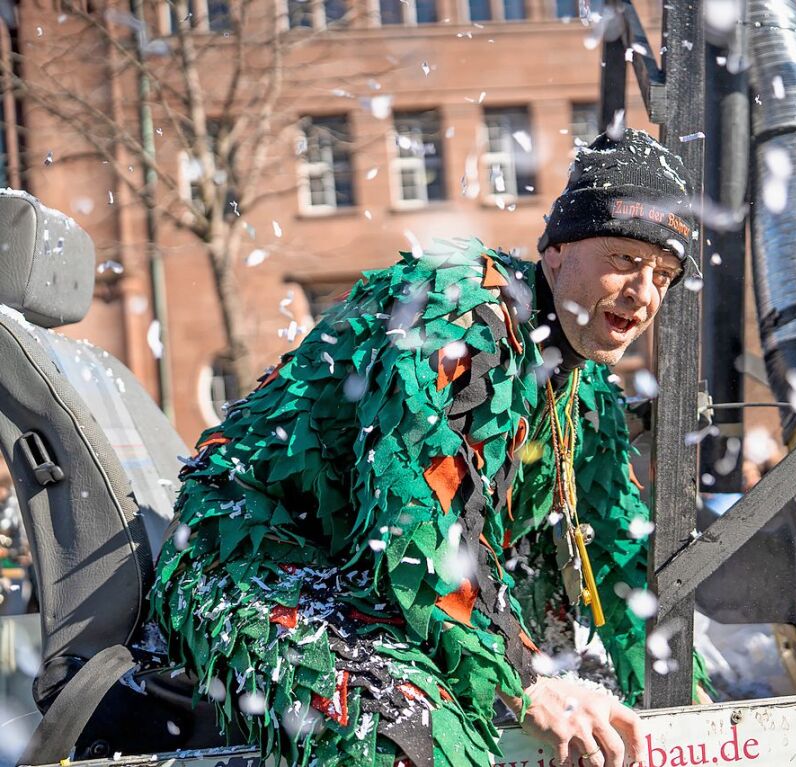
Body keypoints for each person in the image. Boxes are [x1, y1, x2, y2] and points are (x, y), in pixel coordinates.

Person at [151, 128, 710, 767]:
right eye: (623, 260)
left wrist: (696, 714)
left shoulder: (585, 389)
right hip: (247, 562)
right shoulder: (456, 315)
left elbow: (616, 556)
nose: (644, 295)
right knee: (402, 735)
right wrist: (527, 681)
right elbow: (414, 526)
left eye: (663, 275)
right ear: (555, 255)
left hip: (371, 585)